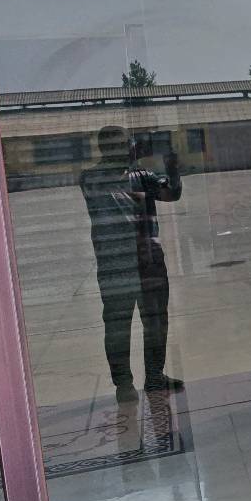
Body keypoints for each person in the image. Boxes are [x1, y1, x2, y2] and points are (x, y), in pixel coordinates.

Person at [79, 125, 185, 405]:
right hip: (117, 267)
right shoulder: (91, 178)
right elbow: (114, 190)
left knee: (156, 321)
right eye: (127, 144)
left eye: (131, 144)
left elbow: (171, 194)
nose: (132, 148)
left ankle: (154, 377)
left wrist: (173, 169)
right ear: (109, 148)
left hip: (149, 261)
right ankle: (124, 384)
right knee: (118, 325)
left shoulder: (142, 176)